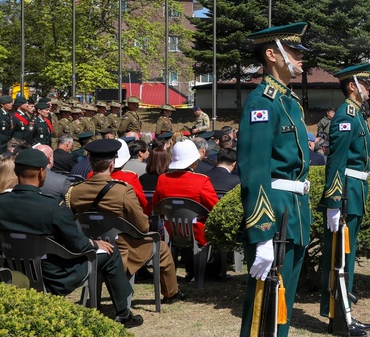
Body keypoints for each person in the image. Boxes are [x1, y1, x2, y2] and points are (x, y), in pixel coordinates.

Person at [230, 22, 312, 337]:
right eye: (294, 52)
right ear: (272, 55)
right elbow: (256, 169)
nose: (300, 59)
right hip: (275, 217)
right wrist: (261, 233)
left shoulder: (288, 101)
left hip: (293, 213)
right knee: (264, 305)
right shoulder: (261, 102)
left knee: (284, 304)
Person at [0, 148, 142, 326]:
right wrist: (93, 243)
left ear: (16, 171)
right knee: (111, 252)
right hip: (55, 276)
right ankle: (123, 313)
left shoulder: (2, 202)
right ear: (41, 172)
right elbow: (77, 245)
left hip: (14, 270)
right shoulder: (52, 206)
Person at [67, 139, 183, 304]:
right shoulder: (122, 190)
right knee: (162, 248)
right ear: (112, 165)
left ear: (91, 165)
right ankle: (171, 293)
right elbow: (143, 226)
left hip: (90, 250)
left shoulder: (75, 191)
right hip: (121, 250)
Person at [320, 62, 370, 337]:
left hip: (356, 190)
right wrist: (333, 200)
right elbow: (336, 162)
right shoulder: (346, 116)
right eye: (365, 85)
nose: (369, 90)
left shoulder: (356, 115)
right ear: (352, 86)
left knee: (348, 255)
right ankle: (341, 317)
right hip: (346, 193)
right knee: (341, 257)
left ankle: (345, 314)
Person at [152, 140, 219, 246]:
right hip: (198, 233)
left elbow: (156, 205)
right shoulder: (202, 181)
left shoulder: (162, 179)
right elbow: (215, 208)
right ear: (194, 162)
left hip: (170, 231)